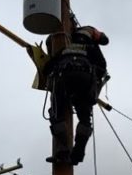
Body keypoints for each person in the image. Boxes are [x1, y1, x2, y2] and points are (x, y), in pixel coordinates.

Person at [44, 25, 109, 166]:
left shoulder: (64, 49)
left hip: (64, 77)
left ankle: (62, 152)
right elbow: (102, 68)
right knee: (85, 119)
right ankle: (77, 154)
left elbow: (47, 68)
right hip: (85, 81)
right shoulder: (92, 48)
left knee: (56, 113)